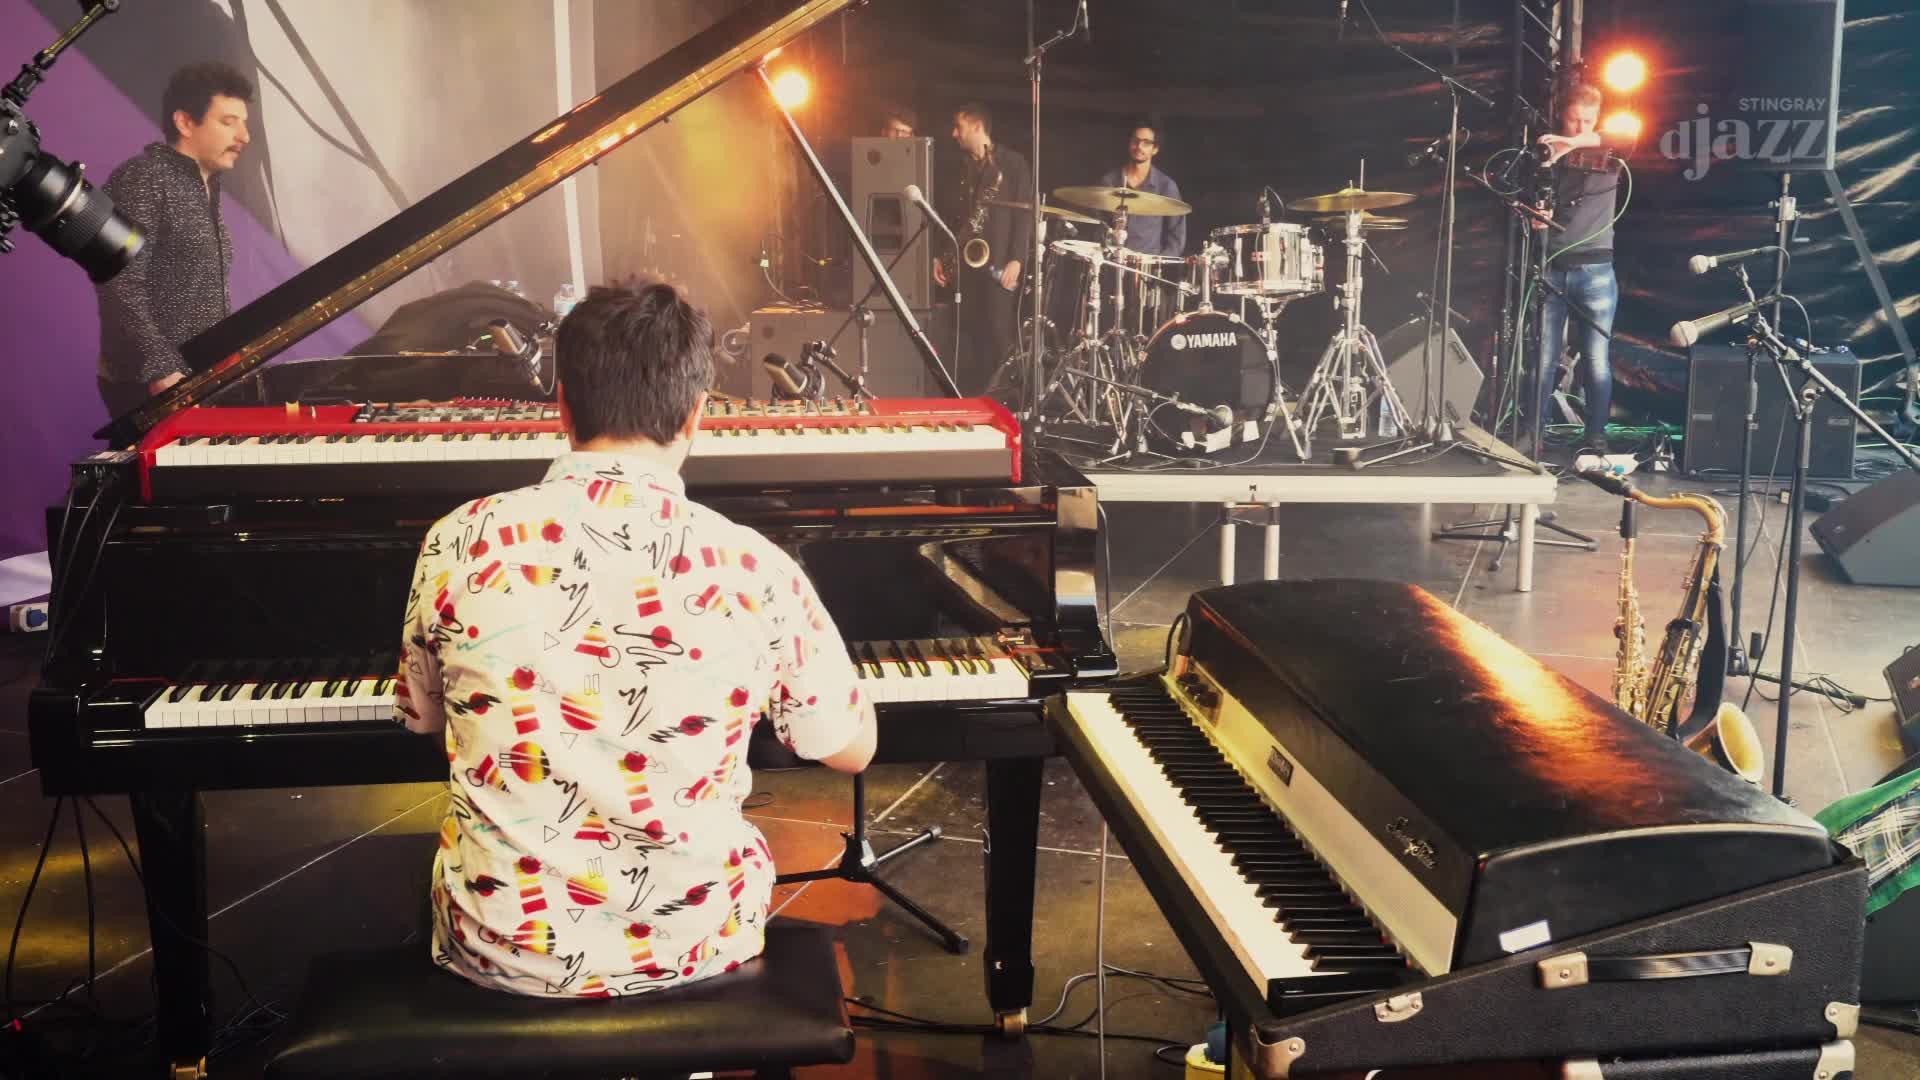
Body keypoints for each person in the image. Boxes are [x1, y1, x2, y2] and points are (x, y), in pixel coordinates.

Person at [397, 282, 877, 997]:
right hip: (693, 943)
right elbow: (849, 749)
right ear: (695, 416)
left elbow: (422, 717)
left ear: (561, 406)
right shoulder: (753, 565)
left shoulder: (457, 539)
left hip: (498, 946)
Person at [94, 62, 253, 417]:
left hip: (198, 379)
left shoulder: (205, 185)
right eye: (228, 122)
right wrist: (160, 367)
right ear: (184, 122)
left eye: (244, 123)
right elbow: (117, 279)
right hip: (152, 384)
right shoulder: (143, 177)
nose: (244, 136)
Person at [1530, 83, 1624, 453]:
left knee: (1597, 359)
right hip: (1553, 267)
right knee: (1542, 359)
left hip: (1596, 271)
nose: (1580, 127)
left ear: (1597, 118)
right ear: (1562, 117)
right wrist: (1537, 218)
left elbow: (1627, 136)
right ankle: (1533, 435)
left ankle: (1596, 437)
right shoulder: (1547, 156)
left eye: (1587, 120)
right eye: (1573, 120)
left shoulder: (1609, 150)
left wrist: (1573, 142)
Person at [932, 102, 1032, 395]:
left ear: (977, 128)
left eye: (958, 127)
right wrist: (942, 254)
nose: (953, 134)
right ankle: (970, 398)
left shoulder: (1013, 164)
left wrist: (1017, 259)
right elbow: (951, 215)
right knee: (968, 337)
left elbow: (1023, 213)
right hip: (966, 265)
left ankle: (1001, 398)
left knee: (999, 337)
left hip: (1000, 262)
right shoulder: (962, 167)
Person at [1097, 122, 1186, 258]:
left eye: (1146, 143)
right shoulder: (1110, 181)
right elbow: (1098, 226)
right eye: (1135, 141)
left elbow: (1176, 236)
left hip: (1147, 268)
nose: (1139, 147)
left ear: (1155, 149)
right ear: (1129, 144)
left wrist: (1159, 263)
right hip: (1111, 263)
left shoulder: (1166, 186)